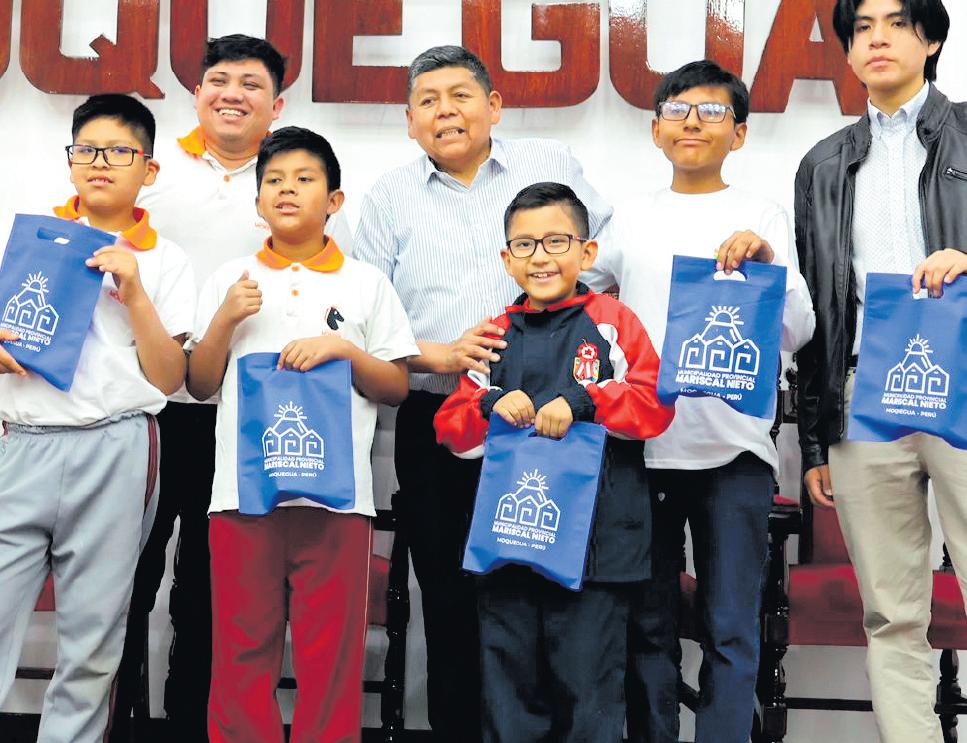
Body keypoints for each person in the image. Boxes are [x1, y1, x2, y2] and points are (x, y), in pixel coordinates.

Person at [353, 45, 612, 741]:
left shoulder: (549, 165)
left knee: (547, 591)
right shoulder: (388, 198)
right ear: (409, 120)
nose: (445, 111)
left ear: (494, 106)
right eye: (428, 100)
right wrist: (437, 354)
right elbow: (362, 321)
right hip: (439, 417)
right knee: (449, 594)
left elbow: (605, 266)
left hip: (549, 423)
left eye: (460, 95)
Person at [114, 34, 351, 737]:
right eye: (219, 79)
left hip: (247, 415)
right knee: (126, 579)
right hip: (148, 405)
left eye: (252, 84)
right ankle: (117, 723)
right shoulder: (150, 175)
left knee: (212, 591)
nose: (233, 94)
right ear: (196, 93)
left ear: (276, 105)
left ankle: (193, 724)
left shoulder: (291, 182)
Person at [584, 60, 815, 742]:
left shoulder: (761, 216)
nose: (692, 122)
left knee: (730, 626)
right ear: (655, 130)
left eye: (712, 112)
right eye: (677, 110)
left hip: (733, 450)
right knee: (646, 624)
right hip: (641, 447)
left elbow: (798, 329)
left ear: (738, 134)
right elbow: (579, 303)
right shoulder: (628, 218)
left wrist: (766, 268)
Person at [187, 126, 418, 743]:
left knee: (331, 654)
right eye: (273, 181)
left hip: (337, 500)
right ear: (257, 201)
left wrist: (344, 351)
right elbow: (201, 384)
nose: (286, 190)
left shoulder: (365, 283)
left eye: (304, 179)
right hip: (242, 497)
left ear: (334, 200)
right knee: (240, 648)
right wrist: (225, 319)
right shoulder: (231, 277)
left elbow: (396, 386)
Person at [433, 182, 673, 742]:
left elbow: (655, 405)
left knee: (590, 696)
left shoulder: (614, 321)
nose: (540, 256)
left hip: (597, 550)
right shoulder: (493, 333)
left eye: (556, 241)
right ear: (507, 259)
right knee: (510, 694)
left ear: (587, 252)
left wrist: (585, 401)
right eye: (524, 245)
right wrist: (490, 404)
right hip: (510, 544)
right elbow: (450, 428)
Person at [796, 1, 967, 740]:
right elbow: (817, 306)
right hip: (865, 396)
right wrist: (813, 437)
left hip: (963, 386)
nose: (877, 39)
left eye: (896, 23)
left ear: (931, 38)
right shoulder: (822, 164)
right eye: (861, 27)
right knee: (891, 613)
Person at [0, 94, 195, 743]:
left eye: (119, 150)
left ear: (149, 168)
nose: (100, 162)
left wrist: (133, 291)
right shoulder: (23, 240)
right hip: (20, 441)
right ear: (70, 160)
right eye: (86, 149)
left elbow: (169, 378)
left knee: (92, 637)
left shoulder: (165, 260)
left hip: (115, 448)